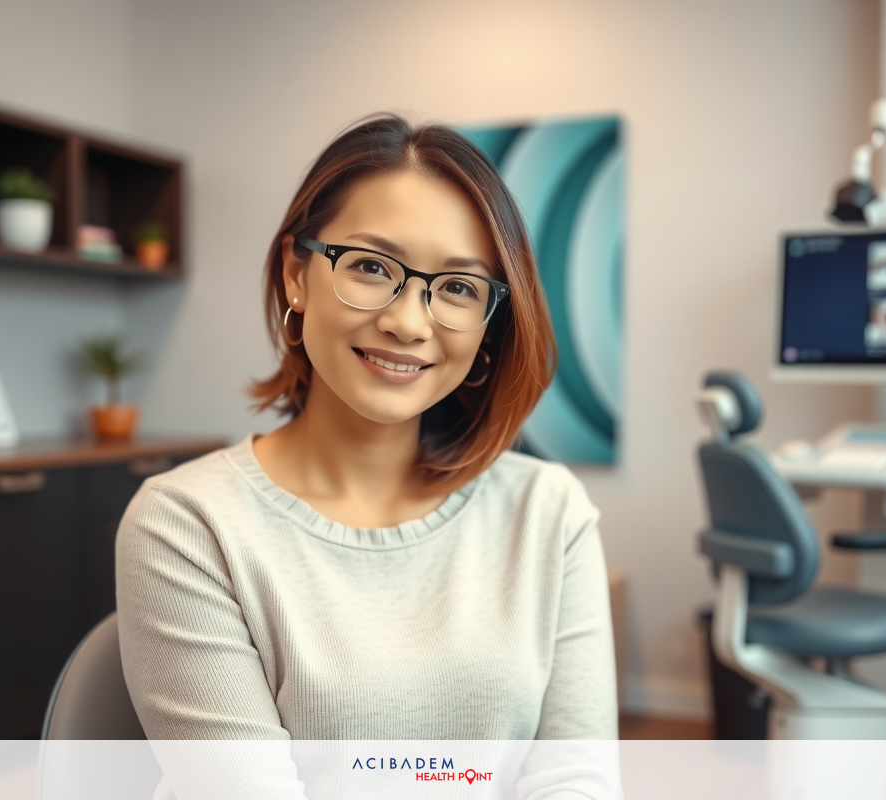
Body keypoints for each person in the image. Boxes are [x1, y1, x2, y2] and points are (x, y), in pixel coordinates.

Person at [116, 116, 618, 750]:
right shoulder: (188, 524)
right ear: (297, 275)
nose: (408, 323)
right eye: (373, 268)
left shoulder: (548, 511)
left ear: (489, 323)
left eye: (459, 287)